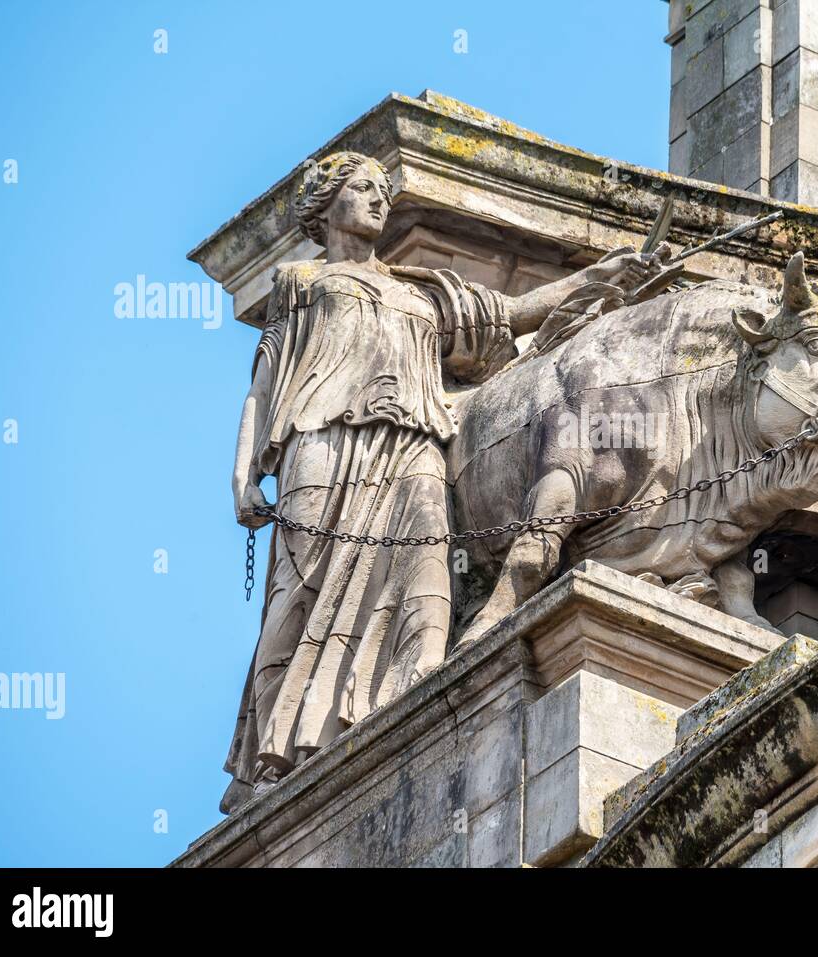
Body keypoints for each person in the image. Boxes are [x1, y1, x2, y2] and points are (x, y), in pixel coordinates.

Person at [222, 151, 667, 811]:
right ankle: (273, 755)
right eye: (363, 188)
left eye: (383, 189)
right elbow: (263, 388)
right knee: (300, 593)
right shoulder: (302, 282)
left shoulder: (420, 291)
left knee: (428, 574)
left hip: (414, 448)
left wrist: (600, 277)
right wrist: (243, 477)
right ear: (326, 206)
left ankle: (413, 708)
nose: (379, 198)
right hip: (322, 445)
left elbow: (513, 314)